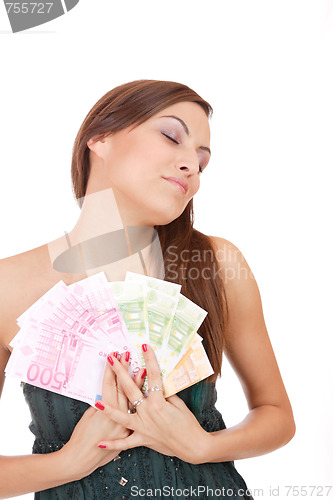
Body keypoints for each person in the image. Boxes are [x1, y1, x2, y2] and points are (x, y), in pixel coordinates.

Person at [0, 79, 296, 499]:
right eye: (171, 136)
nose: (191, 165)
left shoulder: (216, 263)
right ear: (99, 138)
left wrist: (204, 446)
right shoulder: (6, 286)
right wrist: (68, 462)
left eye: (202, 161)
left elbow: (277, 415)